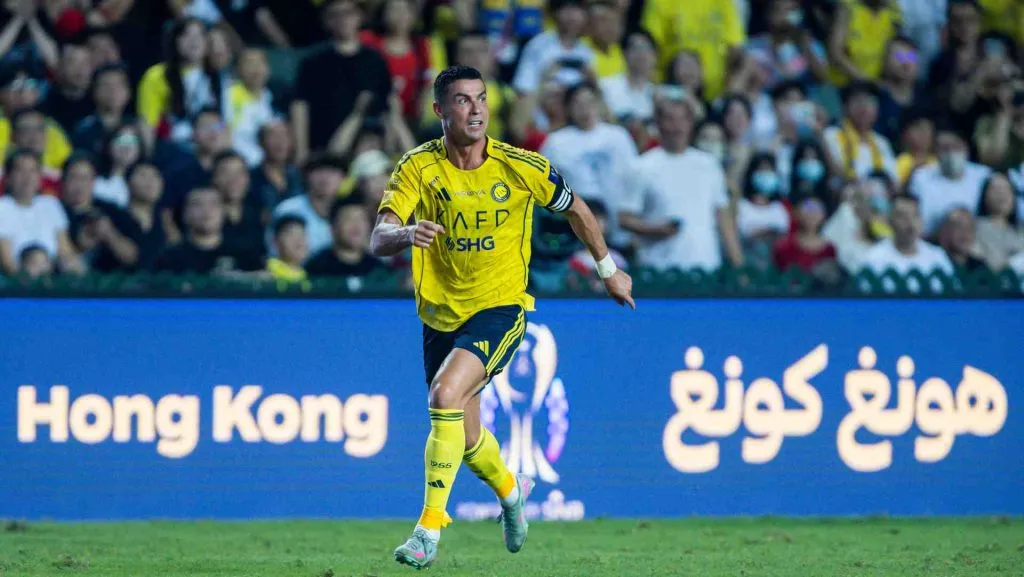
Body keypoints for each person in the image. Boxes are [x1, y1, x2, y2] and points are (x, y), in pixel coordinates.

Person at [373, 65, 632, 568]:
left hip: (501, 306)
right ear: (440, 111)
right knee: (467, 440)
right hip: (440, 314)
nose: (475, 110)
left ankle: (428, 530)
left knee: (443, 395)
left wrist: (608, 271)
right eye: (463, 101)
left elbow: (577, 209)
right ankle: (514, 493)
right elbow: (378, 236)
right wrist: (405, 234)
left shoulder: (520, 166)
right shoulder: (418, 168)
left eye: (482, 99)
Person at [619, 95, 744, 272]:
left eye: (682, 120)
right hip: (658, 269)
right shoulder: (642, 166)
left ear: (690, 124)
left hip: (705, 267)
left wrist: (738, 263)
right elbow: (624, 219)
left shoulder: (708, 164)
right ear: (659, 124)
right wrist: (655, 230)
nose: (676, 126)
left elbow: (723, 218)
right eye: (670, 119)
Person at [290, 0, 392, 164]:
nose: (343, 19)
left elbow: (388, 108)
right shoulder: (313, 61)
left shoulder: (375, 60)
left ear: (360, 17)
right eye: (335, 15)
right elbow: (299, 105)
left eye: (348, 13)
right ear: (326, 21)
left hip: (369, 150)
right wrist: (301, 151)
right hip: (323, 150)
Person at [541, 82, 638, 248]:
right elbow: (543, 184)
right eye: (577, 104)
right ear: (568, 108)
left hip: (619, 228)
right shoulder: (556, 142)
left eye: (589, 102)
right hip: (574, 229)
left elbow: (634, 178)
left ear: (599, 104)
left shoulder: (618, 136)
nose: (584, 109)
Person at [137, 17, 222, 143]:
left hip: (211, 146)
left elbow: (225, 123)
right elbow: (147, 124)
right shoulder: (157, 76)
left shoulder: (217, 76)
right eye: (186, 35)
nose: (194, 41)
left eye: (200, 35)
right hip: (173, 147)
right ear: (175, 41)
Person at [0, 150, 82, 275]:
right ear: (8, 177)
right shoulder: (3, 208)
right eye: (20, 171)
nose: (27, 177)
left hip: (54, 275)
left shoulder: (50, 204)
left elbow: (65, 250)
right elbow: (8, 263)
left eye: (33, 171)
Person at [859, 193, 955, 293]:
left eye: (915, 215)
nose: (910, 223)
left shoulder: (938, 257)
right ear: (890, 220)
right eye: (902, 217)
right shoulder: (873, 258)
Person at [907, 124, 991, 236]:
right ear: (936, 151)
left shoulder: (983, 175)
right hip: (932, 239)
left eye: (956, 147)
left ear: (965, 148)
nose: (951, 152)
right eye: (945, 148)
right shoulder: (921, 176)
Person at [307, 195, 387, 277]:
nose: (356, 225)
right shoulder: (315, 269)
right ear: (333, 226)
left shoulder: (379, 270)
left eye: (361, 219)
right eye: (348, 219)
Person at [974, 171, 1024, 270]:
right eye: (996, 189)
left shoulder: (1021, 231)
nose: (1002, 194)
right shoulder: (973, 228)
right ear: (984, 195)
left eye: (1006, 189)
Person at [265, 215, 309, 285]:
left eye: (302, 234)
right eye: (291, 234)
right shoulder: (268, 275)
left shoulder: (308, 275)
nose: (299, 240)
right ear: (275, 242)